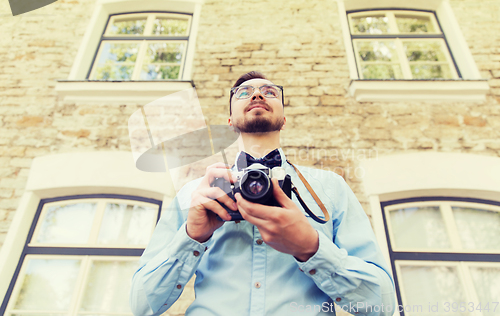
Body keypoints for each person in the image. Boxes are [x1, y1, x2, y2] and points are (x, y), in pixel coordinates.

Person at [130, 71, 396, 316]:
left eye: (269, 92)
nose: (257, 94)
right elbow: (141, 304)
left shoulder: (330, 188)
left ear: (284, 118)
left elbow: (382, 305)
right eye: (244, 93)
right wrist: (191, 237)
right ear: (230, 120)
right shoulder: (196, 194)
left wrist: (311, 249)